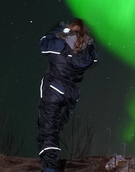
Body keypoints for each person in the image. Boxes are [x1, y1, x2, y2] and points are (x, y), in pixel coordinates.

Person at [37, 18, 98, 172]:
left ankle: (50, 169)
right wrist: (88, 39)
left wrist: (60, 28)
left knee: (48, 130)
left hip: (54, 90)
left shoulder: (59, 46)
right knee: (55, 130)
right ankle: (52, 165)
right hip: (70, 95)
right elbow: (95, 56)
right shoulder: (87, 52)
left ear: (71, 29)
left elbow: (43, 43)